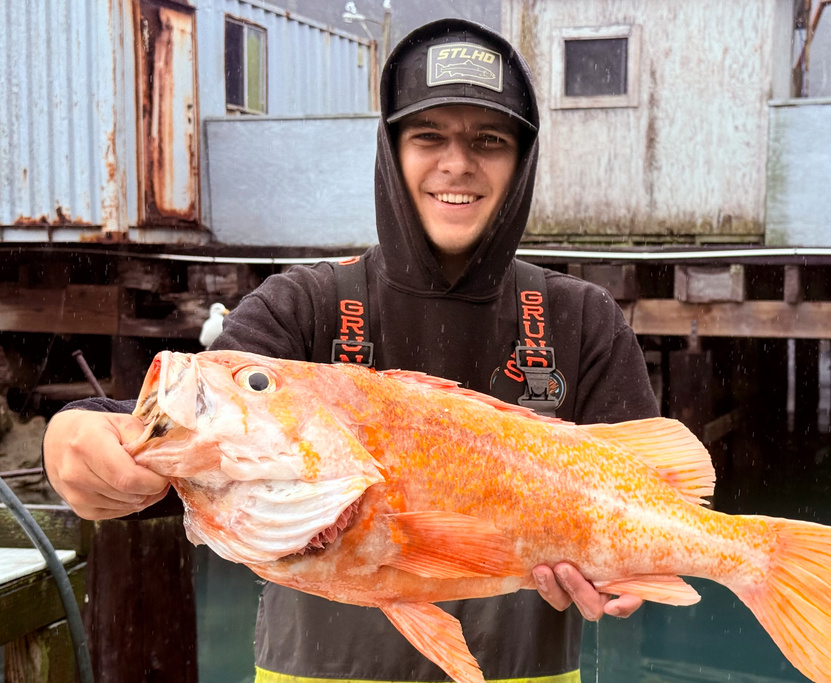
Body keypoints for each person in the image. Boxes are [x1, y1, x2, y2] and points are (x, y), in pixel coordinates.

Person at [42, 18, 661, 683]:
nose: (458, 162)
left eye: (490, 139)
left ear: (523, 160)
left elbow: (654, 500)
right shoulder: (302, 305)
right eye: (428, 136)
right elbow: (187, 447)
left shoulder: (583, 319)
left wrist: (634, 572)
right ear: (390, 153)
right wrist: (79, 433)